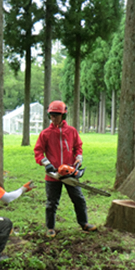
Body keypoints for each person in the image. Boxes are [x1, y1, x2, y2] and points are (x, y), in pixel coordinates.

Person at [33, 100, 97, 238]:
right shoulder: (45, 133)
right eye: (52, 115)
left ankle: (84, 223)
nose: (54, 118)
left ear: (63, 115)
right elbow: (38, 151)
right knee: (51, 203)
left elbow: (78, 146)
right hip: (53, 174)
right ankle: (50, 227)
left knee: (79, 199)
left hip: (69, 172)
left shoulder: (72, 131)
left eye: (56, 115)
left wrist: (78, 158)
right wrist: (46, 163)